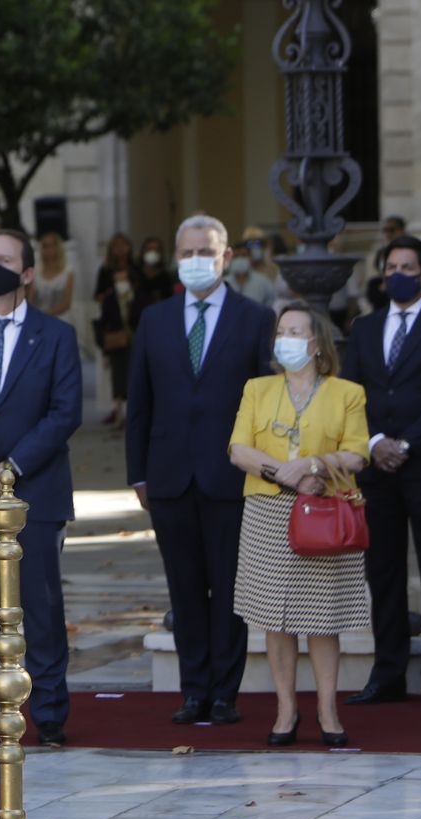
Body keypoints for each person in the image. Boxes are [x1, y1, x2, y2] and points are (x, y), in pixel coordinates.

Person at [127, 215, 275, 726]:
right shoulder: (154, 319)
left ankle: (225, 694)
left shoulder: (255, 318)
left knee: (230, 589)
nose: (195, 261)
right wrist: (137, 474)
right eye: (186, 252)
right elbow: (139, 402)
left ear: (226, 258)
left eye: (205, 253)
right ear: (175, 256)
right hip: (168, 476)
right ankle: (194, 691)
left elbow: (265, 402)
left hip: (231, 477)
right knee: (185, 589)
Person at [0, 231, 83, 747]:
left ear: (28, 273)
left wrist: (10, 466)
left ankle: (50, 711)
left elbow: (65, 412)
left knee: (42, 607)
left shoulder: (56, 336)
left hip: (38, 492)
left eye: (5, 261)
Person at [228, 302, 367, 746]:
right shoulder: (258, 388)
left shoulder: (347, 393)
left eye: (295, 331)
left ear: (315, 343)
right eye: (280, 331)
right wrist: (280, 472)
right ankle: (286, 710)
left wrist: (314, 465)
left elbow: (358, 453)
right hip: (268, 510)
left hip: (324, 511)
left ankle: (328, 710)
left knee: (323, 618)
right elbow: (238, 449)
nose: (285, 338)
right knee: (275, 617)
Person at [340, 234, 421, 704]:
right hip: (377, 470)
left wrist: (407, 443)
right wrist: (374, 443)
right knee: (384, 571)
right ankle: (388, 672)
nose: (398, 274)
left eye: (408, 268)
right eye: (392, 266)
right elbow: (350, 395)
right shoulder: (366, 328)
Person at [95, 233, 139, 425]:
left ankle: (132, 409)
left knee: (133, 369)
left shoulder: (136, 270)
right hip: (115, 326)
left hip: (134, 326)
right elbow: (98, 295)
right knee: (117, 370)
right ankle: (117, 409)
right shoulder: (105, 270)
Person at [226, 241, 278, 308]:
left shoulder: (262, 282)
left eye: (244, 256)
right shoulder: (225, 282)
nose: (240, 259)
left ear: (250, 258)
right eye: (236, 256)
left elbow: (272, 301)